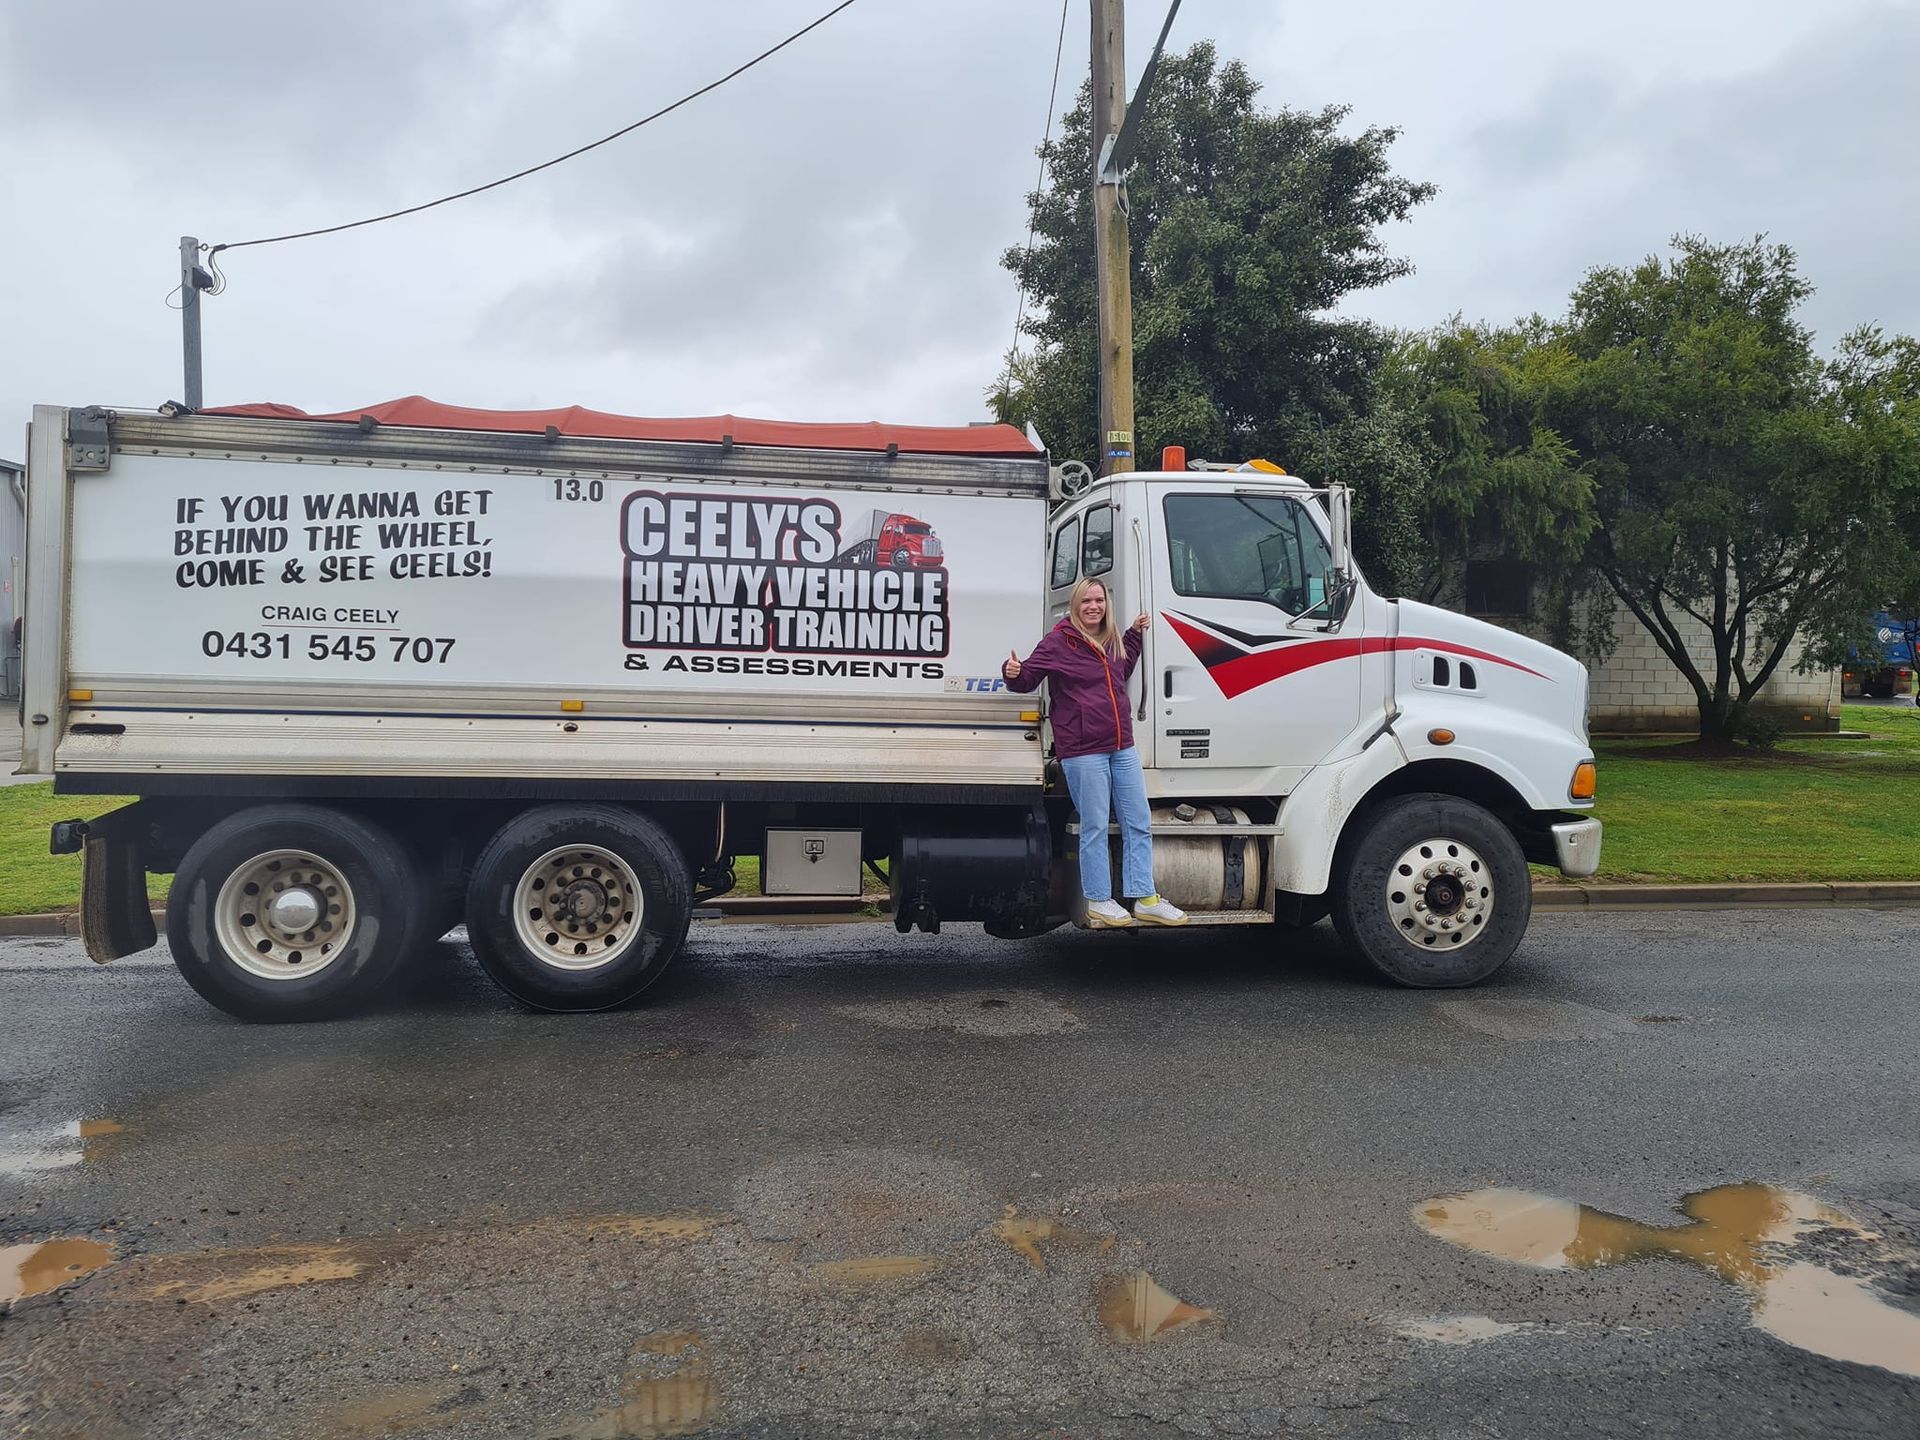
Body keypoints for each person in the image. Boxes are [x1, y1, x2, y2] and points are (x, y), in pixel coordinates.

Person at [1003, 577, 1187, 928]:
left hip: (1122, 747)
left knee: (1138, 822)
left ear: (1106, 604)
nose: (1093, 607)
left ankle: (1145, 898)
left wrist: (1133, 633)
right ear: (1075, 604)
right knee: (1095, 827)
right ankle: (1100, 899)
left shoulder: (1112, 640)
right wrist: (1011, 673)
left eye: (1099, 600)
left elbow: (1122, 669)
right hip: (1084, 751)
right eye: (1086, 601)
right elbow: (1026, 678)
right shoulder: (1060, 641)